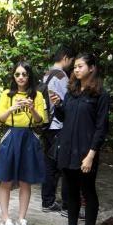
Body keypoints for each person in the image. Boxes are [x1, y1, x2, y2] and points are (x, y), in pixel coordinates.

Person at [50, 52, 109, 225]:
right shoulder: (72, 91)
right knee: (70, 189)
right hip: (67, 146)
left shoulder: (100, 94)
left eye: (80, 66)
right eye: (75, 66)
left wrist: (92, 154)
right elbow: (65, 117)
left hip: (85, 150)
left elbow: (101, 127)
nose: (76, 69)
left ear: (92, 68)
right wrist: (58, 105)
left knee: (88, 190)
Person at [0, 61, 48, 225]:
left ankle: (22, 218)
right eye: (17, 74)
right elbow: (0, 118)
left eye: (24, 74)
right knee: (6, 178)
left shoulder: (37, 95)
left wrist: (31, 108)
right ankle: (5, 218)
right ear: (13, 76)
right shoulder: (7, 95)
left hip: (29, 137)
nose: (21, 77)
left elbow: (41, 120)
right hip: (11, 136)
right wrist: (12, 108)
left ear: (29, 76)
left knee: (26, 180)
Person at [40, 45, 75, 214]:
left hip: (46, 125)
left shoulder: (46, 74)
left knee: (49, 163)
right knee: (63, 165)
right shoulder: (62, 76)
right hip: (57, 126)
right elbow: (66, 102)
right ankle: (66, 205)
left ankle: (47, 201)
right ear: (66, 58)